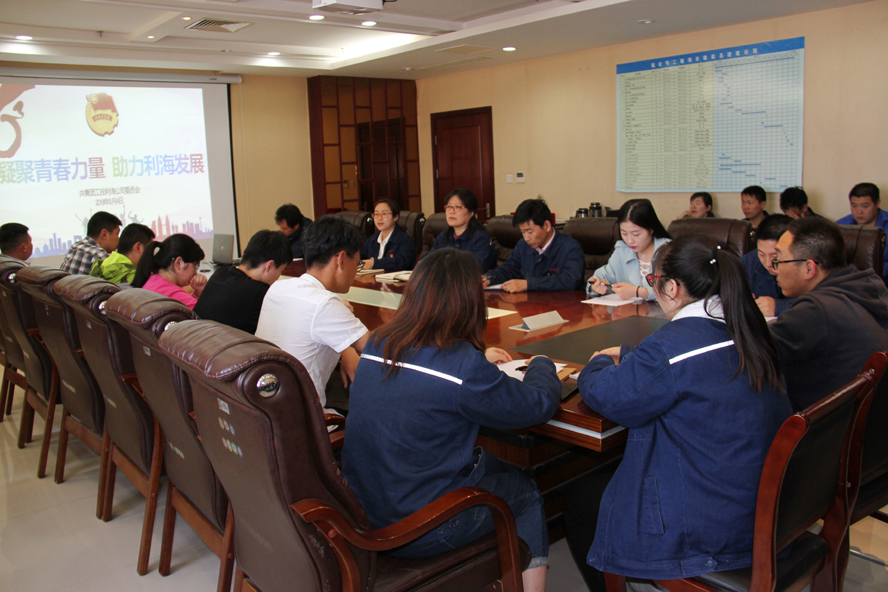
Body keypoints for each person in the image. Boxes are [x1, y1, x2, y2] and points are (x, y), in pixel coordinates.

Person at [564, 235, 791, 592]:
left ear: (671, 287)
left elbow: (611, 397)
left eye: (653, 282)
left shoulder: (672, 346)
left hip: (712, 527)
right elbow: (684, 365)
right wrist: (633, 355)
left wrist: (599, 363)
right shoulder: (747, 326)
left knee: (580, 498)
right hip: (763, 501)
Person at [342, 248, 561, 592]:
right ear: (470, 303)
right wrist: (542, 364)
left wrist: (479, 360)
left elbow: (430, 376)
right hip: (419, 527)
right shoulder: (462, 365)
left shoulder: (379, 342)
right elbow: (538, 406)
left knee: (494, 464)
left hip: (364, 509)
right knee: (524, 490)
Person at [770, 217, 888, 410]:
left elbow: (753, 350)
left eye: (779, 260)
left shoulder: (816, 309)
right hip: (867, 419)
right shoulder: (868, 287)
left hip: (825, 424)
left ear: (809, 268)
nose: (774, 269)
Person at [255, 215, 369, 411]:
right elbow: (377, 350)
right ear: (341, 259)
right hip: (302, 417)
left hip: (266, 404)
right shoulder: (324, 304)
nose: (355, 272)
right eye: (357, 264)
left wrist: (346, 347)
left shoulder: (279, 287)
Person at [194, 230, 291, 334]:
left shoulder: (220, 273)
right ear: (269, 266)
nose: (278, 276)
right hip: (223, 344)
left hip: (194, 340)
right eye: (281, 270)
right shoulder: (259, 292)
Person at [482, 197, 584, 293]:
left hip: (561, 303)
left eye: (530, 232)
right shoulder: (523, 245)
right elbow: (509, 269)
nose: (526, 238)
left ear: (546, 226)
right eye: (522, 232)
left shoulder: (570, 247)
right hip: (529, 302)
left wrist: (529, 284)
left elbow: (570, 280)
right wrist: (489, 278)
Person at [587, 199, 671, 301]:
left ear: (651, 229)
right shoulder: (622, 251)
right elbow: (599, 278)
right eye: (624, 233)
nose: (630, 241)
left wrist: (638, 292)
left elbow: (677, 291)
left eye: (636, 234)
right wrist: (595, 287)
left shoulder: (670, 251)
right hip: (628, 310)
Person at [427, 188, 497, 272]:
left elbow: (475, 268)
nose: (451, 211)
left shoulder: (481, 238)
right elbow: (426, 261)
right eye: (449, 207)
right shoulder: (443, 237)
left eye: (458, 207)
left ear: (471, 213)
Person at [131, 234, 207, 309]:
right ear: (179, 263)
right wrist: (205, 291)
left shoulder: (152, 281)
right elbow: (206, 313)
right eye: (195, 266)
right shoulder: (172, 293)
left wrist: (197, 293)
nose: (195, 272)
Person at [739, 214, 794, 316]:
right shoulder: (748, 262)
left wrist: (780, 307)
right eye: (761, 254)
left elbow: (817, 305)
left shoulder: (804, 266)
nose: (768, 264)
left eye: (775, 256)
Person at [837, 183, 888, 276]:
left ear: (877, 203)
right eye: (854, 206)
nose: (859, 211)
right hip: (848, 278)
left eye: (865, 206)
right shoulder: (841, 226)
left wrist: (875, 274)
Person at [359, 199, 415, 271]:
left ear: (395, 217)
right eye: (376, 214)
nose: (379, 218)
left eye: (384, 214)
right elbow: (359, 257)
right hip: (372, 277)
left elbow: (403, 263)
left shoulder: (405, 240)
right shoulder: (372, 240)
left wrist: (374, 263)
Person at [88, 223, 155, 283]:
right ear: (138, 247)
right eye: (150, 250)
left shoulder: (99, 266)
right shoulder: (138, 278)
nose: (151, 256)